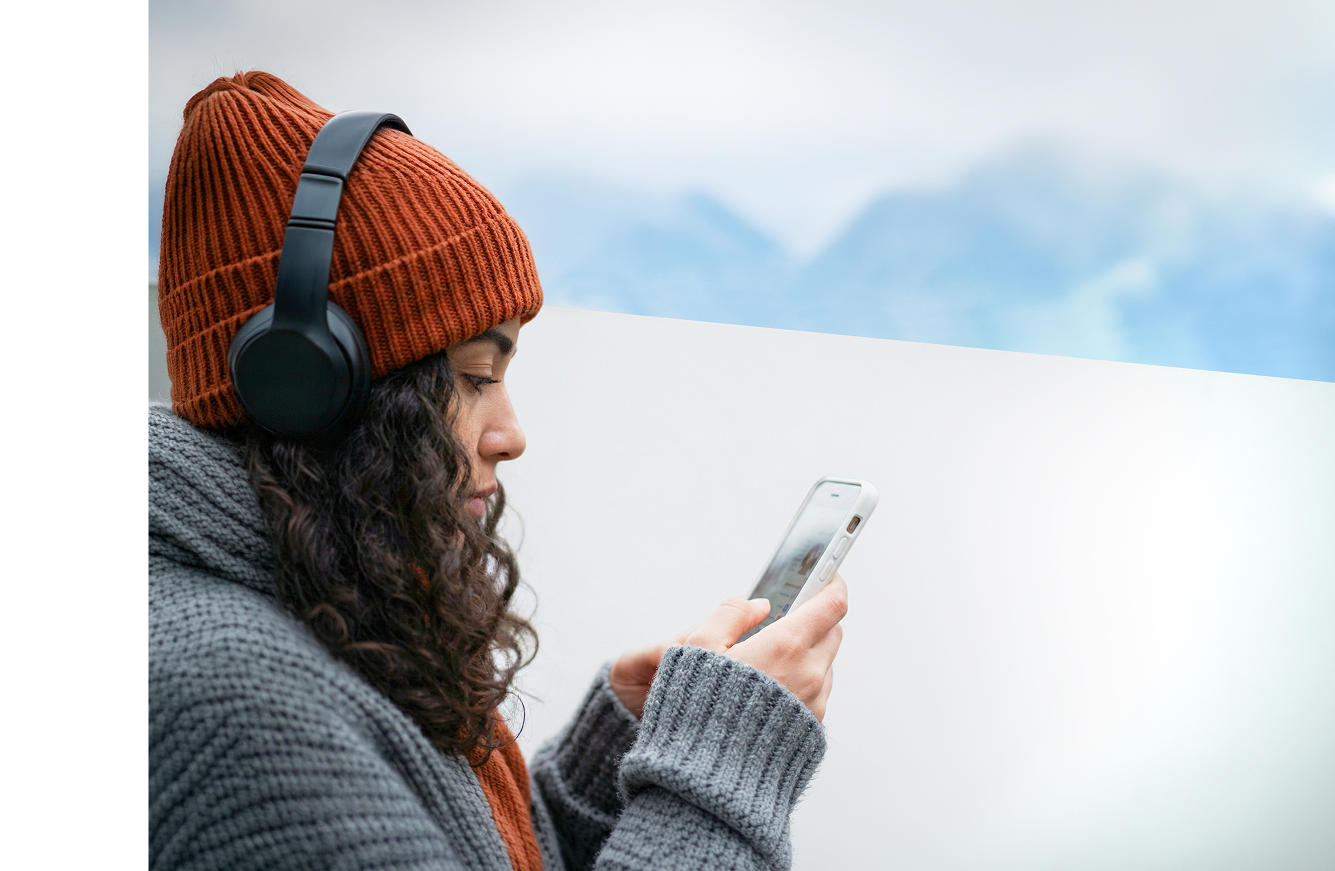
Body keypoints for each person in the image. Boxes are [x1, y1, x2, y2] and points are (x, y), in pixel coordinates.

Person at [147, 72, 847, 871]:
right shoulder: (235, 706)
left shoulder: (330, 596)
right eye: (476, 375)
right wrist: (717, 770)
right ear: (307, 387)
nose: (511, 435)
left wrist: (604, 766)